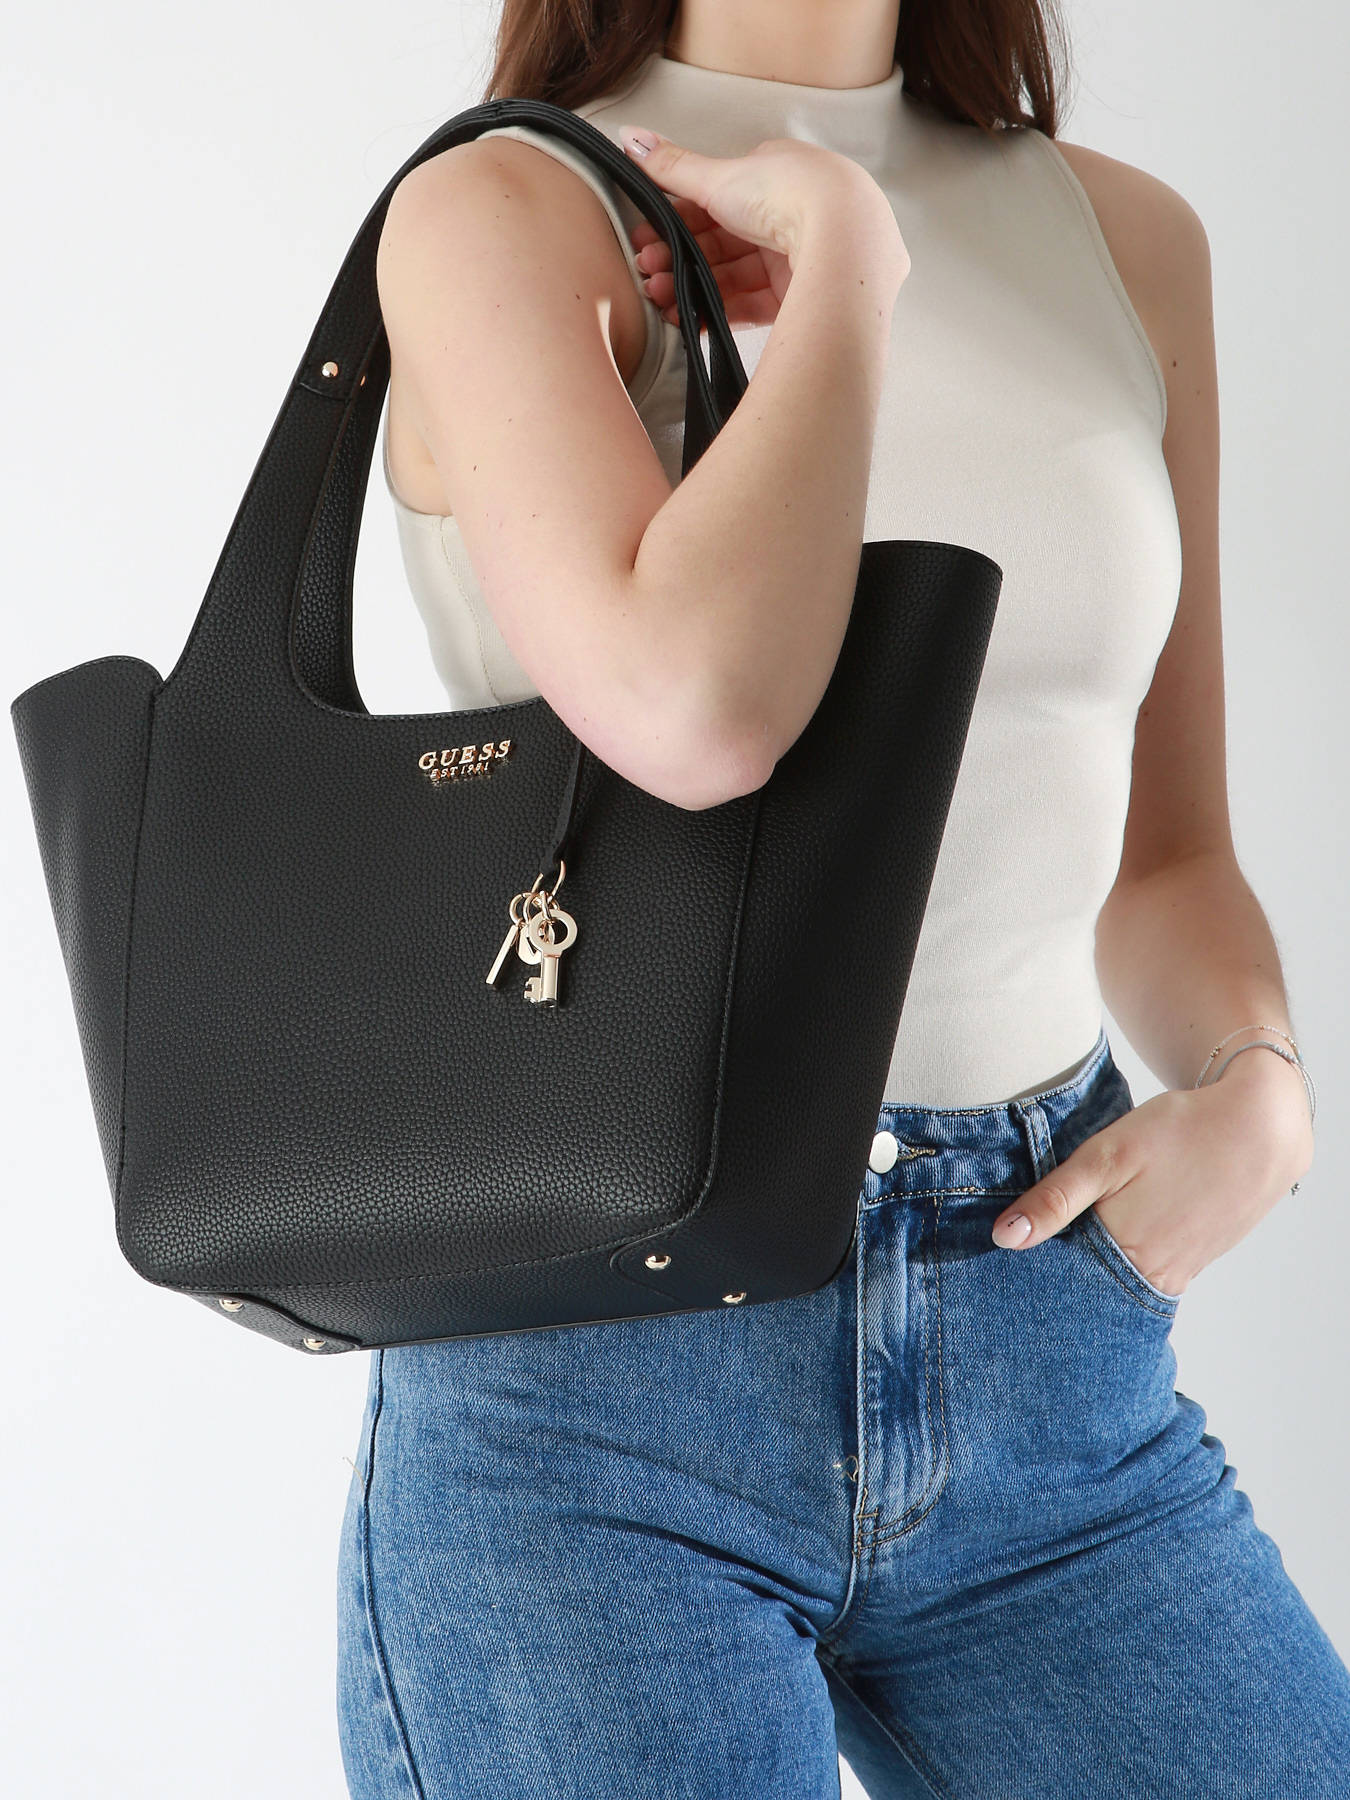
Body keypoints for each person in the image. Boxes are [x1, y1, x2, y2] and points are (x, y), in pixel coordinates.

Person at [336, 3, 1350, 1793]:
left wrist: (1256, 1084)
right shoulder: (506, 208)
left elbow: (1169, 854)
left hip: (1051, 1352)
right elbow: (697, 713)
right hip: (598, 1400)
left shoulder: (1123, 238)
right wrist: (845, 283)